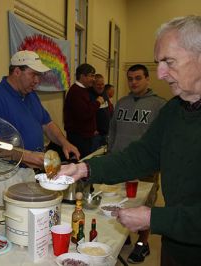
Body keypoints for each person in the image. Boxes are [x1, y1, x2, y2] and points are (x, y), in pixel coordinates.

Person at [57, 15, 201, 266]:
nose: (162, 73)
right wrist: (84, 168)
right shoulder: (174, 111)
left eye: (169, 61)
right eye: (159, 63)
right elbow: (140, 155)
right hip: (176, 246)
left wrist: (154, 219)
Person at [0, 50, 80, 206]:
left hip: (27, 170)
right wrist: (30, 156)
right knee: (5, 221)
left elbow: (47, 124)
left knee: (26, 217)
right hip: (3, 173)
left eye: (39, 76)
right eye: (33, 75)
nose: (37, 81)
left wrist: (64, 142)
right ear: (17, 71)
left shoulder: (31, 95)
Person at [108, 64, 166, 263]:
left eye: (138, 78)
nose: (133, 82)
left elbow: (164, 137)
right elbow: (113, 131)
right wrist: (110, 152)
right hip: (120, 164)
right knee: (120, 202)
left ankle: (142, 244)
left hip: (145, 166)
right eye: (130, 78)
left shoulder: (159, 105)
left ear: (147, 79)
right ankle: (124, 235)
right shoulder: (121, 103)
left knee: (144, 206)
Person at [64, 63, 105, 158]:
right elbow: (84, 114)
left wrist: (92, 129)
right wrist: (97, 102)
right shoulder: (76, 92)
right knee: (80, 162)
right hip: (79, 138)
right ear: (82, 76)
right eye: (91, 76)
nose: (93, 79)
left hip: (84, 136)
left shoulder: (82, 90)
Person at [89, 73, 112, 151]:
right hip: (95, 135)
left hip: (106, 133)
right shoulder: (89, 96)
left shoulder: (104, 94)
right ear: (93, 85)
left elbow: (109, 109)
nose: (101, 86)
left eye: (102, 84)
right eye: (98, 84)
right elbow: (88, 113)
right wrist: (92, 129)